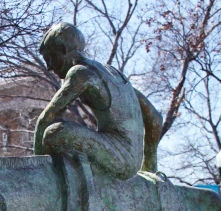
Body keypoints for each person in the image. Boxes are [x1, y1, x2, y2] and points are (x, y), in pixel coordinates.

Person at [34, 22, 161, 178]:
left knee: (55, 132)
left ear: (63, 50)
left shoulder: (81, 73)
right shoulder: (111, 72)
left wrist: (37, 167)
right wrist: (149, 167)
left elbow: (46, 119)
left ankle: (49, 175)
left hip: (121, 160)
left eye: (49, 58)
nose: (49, 67)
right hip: (130, 158)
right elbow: (155, 118)